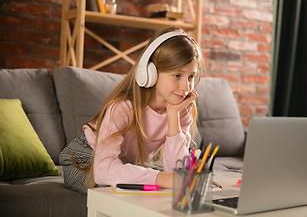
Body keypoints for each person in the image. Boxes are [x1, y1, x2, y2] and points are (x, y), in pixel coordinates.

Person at [59, 26, 203, 193]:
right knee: (125, 190)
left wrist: (173, 116)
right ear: (150, 73)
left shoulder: (181, 110)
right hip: (85, 158)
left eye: (191, 76)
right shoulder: (123, 108)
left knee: (162, 188)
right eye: (177, 75)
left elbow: (176, 174)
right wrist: (163, 178)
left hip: (121, 162)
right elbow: (103, 171)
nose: (186, 87)